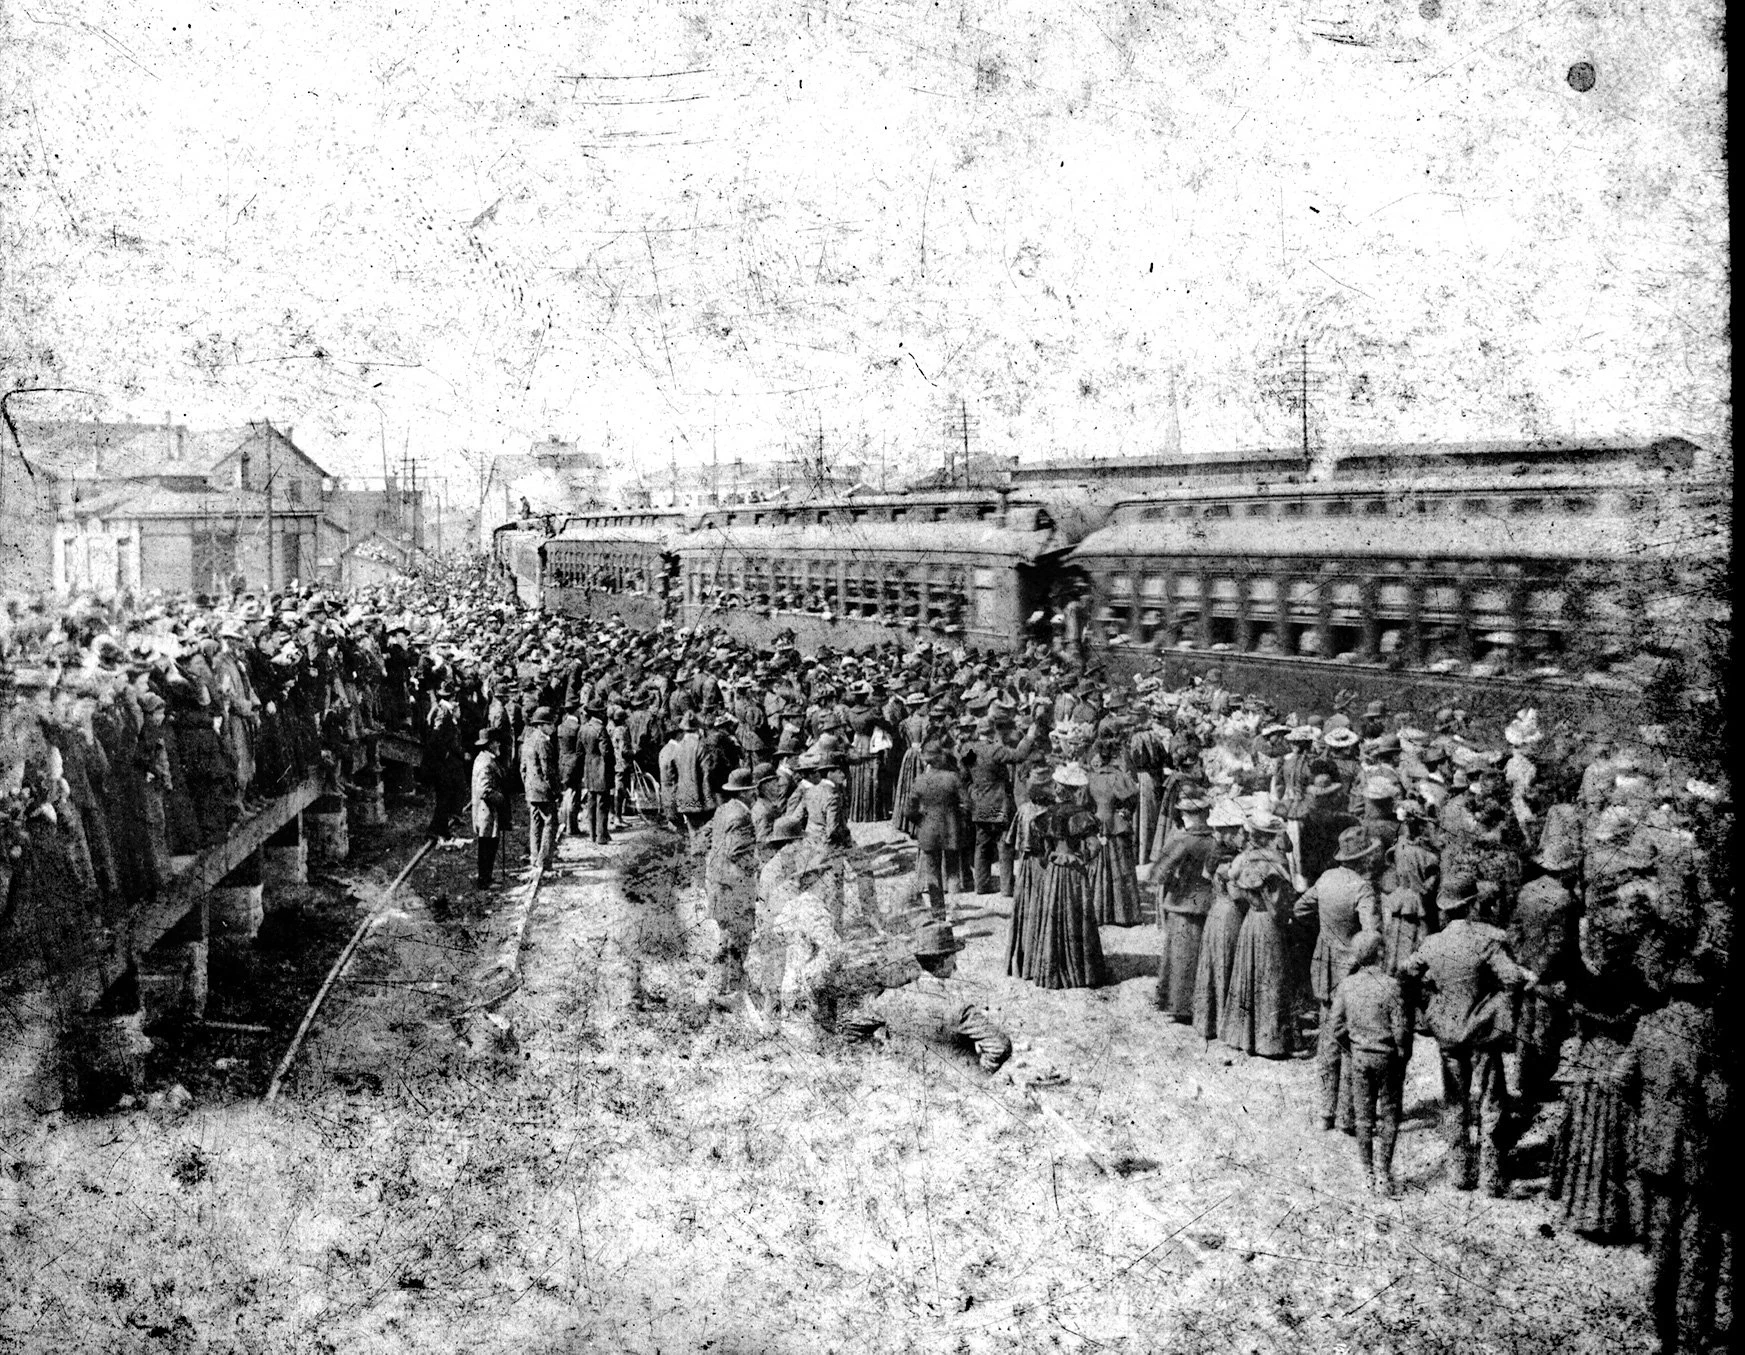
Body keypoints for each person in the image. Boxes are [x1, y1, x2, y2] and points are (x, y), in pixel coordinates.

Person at [1611, 964, 1726, 1353]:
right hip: (1699, 1159)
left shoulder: (1648, 1025)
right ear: (1702, 992)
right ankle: (1693, 1337)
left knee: (1662, 1247)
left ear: (1671, 990)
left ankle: (1662, 1335)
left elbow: (1620, 1079)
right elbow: (1719, 1104)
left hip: (1656, 1154)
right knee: (1697, 1248)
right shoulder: (1710, 1029)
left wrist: (1651, 1115)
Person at [1401, 872, 1533, 1195]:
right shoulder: (1485, 940)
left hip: (1447, 1033)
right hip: (1481, 1034)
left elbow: (1406, 972)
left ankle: (1460, 1172)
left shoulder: (1433, 944)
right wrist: (1493, 1004)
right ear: (1472, 904)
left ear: (1445, 908)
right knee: (1491, 1101)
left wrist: (1430, 1002)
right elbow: (1512, 979)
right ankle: (1492, 1176)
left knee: (1454, 1101)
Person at [1293, 826, 1383, 1134]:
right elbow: (1371, 932)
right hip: (1351, 968)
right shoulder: (1362, 887)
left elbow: (1300, 908)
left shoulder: (1326, 879)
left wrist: (1324, 932)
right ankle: (1349, 1115)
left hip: (1323, 965)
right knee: (1351, 1042)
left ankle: (1324, 1112)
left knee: (1327, 1040)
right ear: (1363, 858)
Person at [839, 921, 1013, 1073]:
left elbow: (850, 1030)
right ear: (944, 960)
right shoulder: (957, 1008)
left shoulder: (888, 999)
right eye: (953, 956)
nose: (956, 964)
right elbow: (1000, 1046)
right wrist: (978, 1073)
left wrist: (877, 1056)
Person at [1326, 932, 1410, 1196]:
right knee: (1389, 1114)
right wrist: (1401, 1054)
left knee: (1363, 1117)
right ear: (1380, 954)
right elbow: (1401, 1030)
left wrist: (1351, 1046)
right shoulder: (1391, 985)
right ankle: (1384, 1172)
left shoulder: (1346, 986)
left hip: (1360, 1057)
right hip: (1386, 1058)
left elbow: (1335, 1026)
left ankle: (1367, 1174)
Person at [1026, 763, 1105, 989]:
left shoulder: (1045, 817)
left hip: (1053, 871)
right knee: (1077, 916)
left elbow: (1040, 851)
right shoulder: (1083, 817)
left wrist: (1051, 859)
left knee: (1053, 916)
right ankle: (1080, 970)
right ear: (1076, 790)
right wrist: (1082, 858)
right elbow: (1094, 847)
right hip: (1073, 872)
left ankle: (1052, 968)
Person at [1148, 789, 1218, 1022]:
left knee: (1180, 957)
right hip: (1207, 904)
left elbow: (1157, 873)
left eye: (1186, 813)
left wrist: (1172, 880)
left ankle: (1179, 1004)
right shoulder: (1214, 841)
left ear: (1191, 815)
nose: (1183, 817)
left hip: (1182, 902)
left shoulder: (1182, 841)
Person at [704, 767, 761, 1005]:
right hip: (734, 887)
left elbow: (708, 836)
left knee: (725, 937)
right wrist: (757, 865)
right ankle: (733, 989)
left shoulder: (722, 810)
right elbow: (738, 852)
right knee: (738, 939)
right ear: (747, 792)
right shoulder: (742, 816)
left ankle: (721, 985)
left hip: (717, 883)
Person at [1086, 737, 1143, 925]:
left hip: (1098, 822)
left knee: (1100, 870)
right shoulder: (1118, 776)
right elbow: (1132, 794)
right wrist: (1126, 810)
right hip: (1116, 825)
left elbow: (1086, 801)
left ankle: (1100, 911)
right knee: (1121, 870)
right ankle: (1123, 914)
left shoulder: (1092, 778)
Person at [907, 742, 966, 920]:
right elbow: (966, 804)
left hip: (928, 830)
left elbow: (909, 811)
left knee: (932, 872)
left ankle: (938, 913)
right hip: (951, 828)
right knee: (953, 869)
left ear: (926, 762)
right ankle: (954, 908)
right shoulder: (953, 778)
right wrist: (957, 816)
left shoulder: (919, 780)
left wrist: (921, 821)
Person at [519, 705, 559, 871]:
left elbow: (522, 768)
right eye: (550, 724)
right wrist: (556, 790)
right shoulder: (543, 742)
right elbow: (548, 771)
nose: (554, 727)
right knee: (551, 823)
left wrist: (527, 786)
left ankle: (534, 856)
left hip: (531, 789)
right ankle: (545, 861)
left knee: (535, 823)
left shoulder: (529, 739)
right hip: (544, 791)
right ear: (541, 725)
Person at [470, 729, 507, 889]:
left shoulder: (485, 758)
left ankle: (487, 878)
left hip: (487, 812)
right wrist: (501, 799)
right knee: (487, 846)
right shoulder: (486, 762)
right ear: (490, 744)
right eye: (496, 741)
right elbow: (485, 790)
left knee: (489, 845)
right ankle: (484, 880)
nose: (499, 744)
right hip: (486, 812)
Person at [578, 700, 615, 845]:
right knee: (603, 803)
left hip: (589, 769)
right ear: (599, 712)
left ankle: (592, 834)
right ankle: (601, 835)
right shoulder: (601, 729)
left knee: (591, 802)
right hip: (602, 770)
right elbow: (606, 752)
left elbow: (579, 751)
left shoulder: (583, 728)